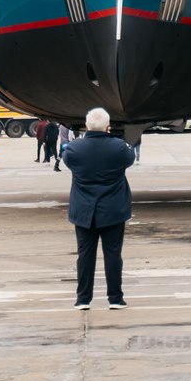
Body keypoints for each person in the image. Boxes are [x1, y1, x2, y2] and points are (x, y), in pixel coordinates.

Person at [63, 107, 136, 310]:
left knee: (85, 256)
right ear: (108, 127)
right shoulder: (119, 148)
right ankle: (115, 298)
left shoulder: (74, 149)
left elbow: (67, 160)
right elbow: (130, 159)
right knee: (113, 255)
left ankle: (83, 299)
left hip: (84, 211)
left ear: (86, 126)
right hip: (113, 209)